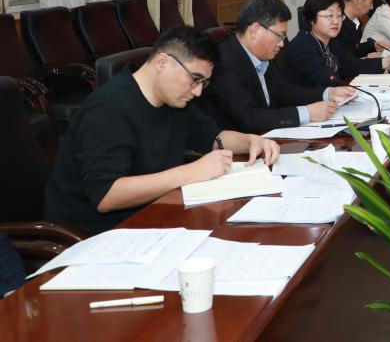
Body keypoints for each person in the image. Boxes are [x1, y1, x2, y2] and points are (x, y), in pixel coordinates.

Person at [44, 26, 282, 235]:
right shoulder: (108, 109)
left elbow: (213, 137)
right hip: (97, 236)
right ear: (161, 62)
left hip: (153, 218)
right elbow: (106, 195)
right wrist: (191, 172)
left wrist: (251, 141)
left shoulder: (174, 100)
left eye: (203, 83)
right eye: (194, 79)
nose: (198, 92)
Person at [204, 0, 356, 133]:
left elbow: (286, 92)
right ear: (255, 30)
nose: (282, 44)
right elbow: (248, 118)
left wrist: (328, 93)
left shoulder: (262, 55)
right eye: (279, 36)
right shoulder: (224, 63)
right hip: (241, 147)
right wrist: (306, 113)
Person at [280, 0, 390, 87]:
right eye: (329, 16)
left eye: (339, 15)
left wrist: (388, 60)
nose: (336, 21)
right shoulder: (303, 47)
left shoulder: (331, 42)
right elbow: (326, 81)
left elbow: (351, 65)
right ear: (312, 19)